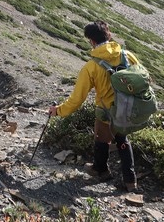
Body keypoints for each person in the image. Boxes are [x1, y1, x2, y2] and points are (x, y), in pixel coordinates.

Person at [48, 20, 140, 192]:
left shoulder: (91, 67)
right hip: (128, 108)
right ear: (109, 34)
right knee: (123, 141)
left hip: (106, 110)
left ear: (91, 41)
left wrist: (58, 111)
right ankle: (130, 181)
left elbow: (77, 99)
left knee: (101, 138)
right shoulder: (127, 56)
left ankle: (101, 170)